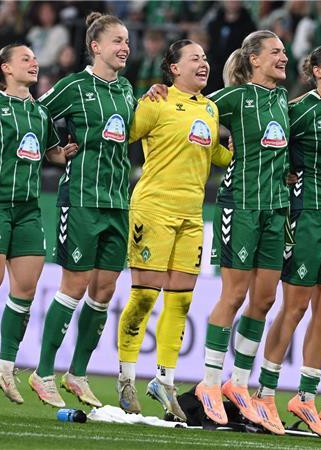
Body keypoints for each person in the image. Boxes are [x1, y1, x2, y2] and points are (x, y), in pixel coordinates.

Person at [115, 39, 232, 421]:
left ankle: (164, 381)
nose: (203, 63)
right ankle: (126, 377)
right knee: (145, 297)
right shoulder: (157, 102)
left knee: (180, 302)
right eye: (194, 58)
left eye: (205, 57)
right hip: (153, 208)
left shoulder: (211, 108)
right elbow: (124, 132)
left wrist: (242, 151)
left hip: (192, 215)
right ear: (173, 68)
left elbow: (216, 155)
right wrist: (138, 97)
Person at [28, 12, 135, 409]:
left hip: (117, 202)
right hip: (82, 200)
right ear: (96, 46)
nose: (125, 47)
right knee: (73, 286)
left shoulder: (126, 90)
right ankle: (42, 373)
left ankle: (77, 373)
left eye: (127, 41)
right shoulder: (74, 86)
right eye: (117, 41)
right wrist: (55, 148)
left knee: (104, 292)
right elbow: (36, 113)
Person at [0, 44, 77, 403]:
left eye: (35, 59)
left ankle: (5, 366)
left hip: (28, 209)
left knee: (26, 289)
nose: (34, 63)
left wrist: (62, 154)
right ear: (6, 68)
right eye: (25, 59)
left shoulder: (41, 113)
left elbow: (49, 151)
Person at [194, 30, 290, 434]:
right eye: (275, 52)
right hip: (241, 205)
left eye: (284, 51)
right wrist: (161, 96)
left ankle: (238, 381)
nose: (283, 57)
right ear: (253, 59)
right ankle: (209, 383)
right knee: (233, 295)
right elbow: (193, 109)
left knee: (265, 299)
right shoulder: (232, 98)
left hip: (276, 209)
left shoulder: (285, 101)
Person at [257, 44, 321, 443]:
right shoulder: (301, 109)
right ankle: (264, 391)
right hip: (308, 216)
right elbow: (269, 143)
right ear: (315, 70)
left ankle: (304, 396)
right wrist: (285, 175)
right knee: (295, 306)